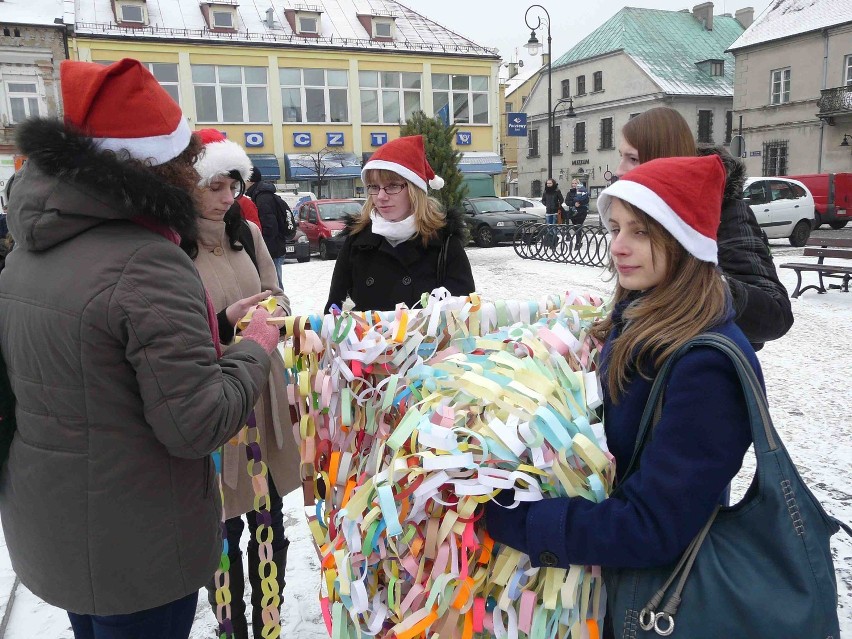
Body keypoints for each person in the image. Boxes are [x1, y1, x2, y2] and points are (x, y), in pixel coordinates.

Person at [0, 59, 281, 639]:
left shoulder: (29, 249)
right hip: (136, 543)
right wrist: (252, 346)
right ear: (163, 166)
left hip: (56, 530)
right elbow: (196, 424)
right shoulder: (148, 262)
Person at [485, 154, 760, 611]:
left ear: (686, 240)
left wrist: (521, 523)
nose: (617, 246)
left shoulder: (707, 365)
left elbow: (654, 526)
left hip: (654, 602)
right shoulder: (641, 320)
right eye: (615, 229)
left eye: (641, 231)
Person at [189, 129, 300, 639]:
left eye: (232, 185)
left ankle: (269, 626)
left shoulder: (247, 233)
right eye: (214, 186)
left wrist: (269, 312)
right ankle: (231, 628)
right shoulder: (168, 244)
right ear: (187, 184)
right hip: (211, 397)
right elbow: (169, 326)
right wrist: (224, 320)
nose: (226, 198)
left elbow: (277, 294)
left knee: (268, 517)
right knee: (221, 528)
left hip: (261, 392)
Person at [615, 106, 793, 349]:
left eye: (632, 158)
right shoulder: (640, 209)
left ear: (663, 159)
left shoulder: (725, 211)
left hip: (700, 358)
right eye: (621, 156)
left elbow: (776, 315)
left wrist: (698, 283)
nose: (620, 169)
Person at [325, 135, 475, 312]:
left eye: (393, 186)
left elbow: (464, 313)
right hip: (368, 339)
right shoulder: (357, 241)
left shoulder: (444, 242)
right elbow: (334, 312)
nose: (381, 196)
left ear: (414, 190)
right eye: (374, 186)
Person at [246, 166, 292, 288]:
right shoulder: (261, 195)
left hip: (272, 250)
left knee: (274, 286)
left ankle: (281, 306)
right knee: (274, 284)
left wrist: (262, 249)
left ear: (250, 181)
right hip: (275, 248)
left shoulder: (263, 198)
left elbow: (269, 226)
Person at [567, 178, 590, 250]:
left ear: (578, 184)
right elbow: (567, 201)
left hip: (582, 211)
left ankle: (578, 242)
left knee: (578, 226)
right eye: (573, 183)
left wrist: (579, 204)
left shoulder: (583, 191)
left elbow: (586, 200)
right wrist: (574, 203)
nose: (574, 185)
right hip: (573, 212)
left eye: (575, 183)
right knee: (575, 227)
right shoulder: (570, 193)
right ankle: (579, 240)